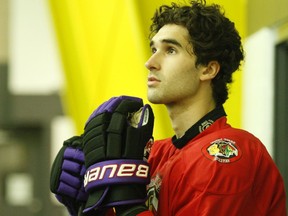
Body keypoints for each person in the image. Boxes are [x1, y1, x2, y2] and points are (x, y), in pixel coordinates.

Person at [50, 0, 287, 215]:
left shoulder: (227, 155)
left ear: (207, 69)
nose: (150, 63)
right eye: (154, 49)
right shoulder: (157, 154)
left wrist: (127, 203)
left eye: (170, 50)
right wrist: (91, 203)